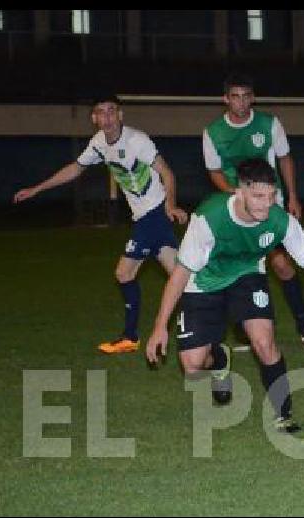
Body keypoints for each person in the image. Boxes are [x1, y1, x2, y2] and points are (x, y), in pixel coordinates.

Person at [145, 158, 304, 432]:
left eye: (271, 196)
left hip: (247, 275)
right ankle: (219, 358)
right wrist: (160, 326)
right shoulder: (209, 218)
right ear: (239, 192)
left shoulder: (280, 221)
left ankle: (283, 413)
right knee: (193, 366)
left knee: (264, 342)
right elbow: (181, 275)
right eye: (257, 196)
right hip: (204, 281)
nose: (266, 204)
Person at [13, 93, 188, 354]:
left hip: (154, 214)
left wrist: (171, 205)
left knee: (124, 273)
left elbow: (167, 173)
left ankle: (130, 336)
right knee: (180, 276)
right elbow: (75, 168)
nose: (107, 117)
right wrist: (38, 189)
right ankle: (212, 314)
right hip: (145, 216)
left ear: (120, 114)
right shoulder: (98, 143)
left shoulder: (137, 141)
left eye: (111, 111)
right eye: (101, 112)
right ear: (94, 118)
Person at [203, 71, 304, 354]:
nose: (241, 103)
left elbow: (284, 158)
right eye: (235, 97)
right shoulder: (213, 132)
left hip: (270, 204)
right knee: (237, 267)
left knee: (281, 265)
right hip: (235, 208)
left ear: (253, 98)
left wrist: (292, 196)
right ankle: (250, 331)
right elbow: (215, 172)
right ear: (226, 99)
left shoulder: (269, 124)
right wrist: (236, 196)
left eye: (246, 97)